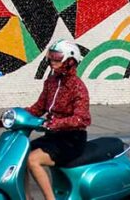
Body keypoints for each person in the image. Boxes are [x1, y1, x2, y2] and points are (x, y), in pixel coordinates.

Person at [25, 39, 91, 200]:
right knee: (20, 155)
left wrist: (57, 123)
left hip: (70, 140)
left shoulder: (78, 87)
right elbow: (39, 108)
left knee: (33, 161)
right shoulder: (51, 82)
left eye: (57, 58)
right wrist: (16, 115)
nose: (53, 61)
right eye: (51, 57)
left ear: (70, 61)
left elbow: (82, 119)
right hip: (53, 136)